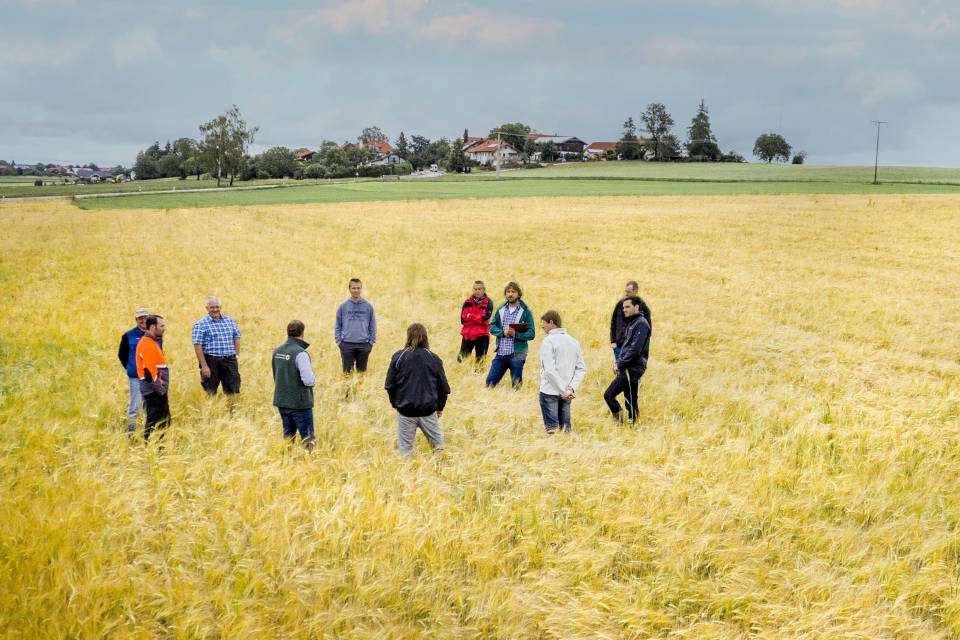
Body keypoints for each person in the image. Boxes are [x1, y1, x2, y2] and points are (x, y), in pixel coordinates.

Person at [384, 323, 450, 455]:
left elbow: (390, 385)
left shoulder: (399, 357)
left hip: (405, 411)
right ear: (425, 338)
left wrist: (396, 404)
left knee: (405, 452)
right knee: (439, 449)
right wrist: (439, 407)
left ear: (408, 337)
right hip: (428, 411)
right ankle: (442, 473)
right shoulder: (433, 358)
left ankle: (407, 475)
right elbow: (443, 388)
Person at [604, 296, 651, 423]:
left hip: (633, 367)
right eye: (623, 307)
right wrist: (618, 362)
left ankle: (621, 423)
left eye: (627, 307)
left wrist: (619, 364)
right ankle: (632, 424)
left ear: (636, 307)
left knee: (609, 395)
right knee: (630, 397)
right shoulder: (632, 323)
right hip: (628, 366)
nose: (624, 310)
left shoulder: (641, 323)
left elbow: (635, 350)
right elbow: (627, 347)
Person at [538, 310, 587, 434]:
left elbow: (549, 371)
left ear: (551, 322)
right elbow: (581, 368)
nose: (543, 326)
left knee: (552, 432)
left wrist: (563, 390)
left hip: (549, 391)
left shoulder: (548, 341)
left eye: (544, 323)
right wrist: (570, 389)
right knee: (566, 432)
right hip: (567, 392)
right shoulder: (574, 341)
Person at [272, 320, 316, 450]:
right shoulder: (300, 353)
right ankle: (310, 463)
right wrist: (314, 381)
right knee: (308, 439)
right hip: (299, 403)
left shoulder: (277, 351)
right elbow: (308, 380)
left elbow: (276, 374)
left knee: (288, 437)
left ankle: (287, 463)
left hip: (282, 401)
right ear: (302, 333)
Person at [486, 282, 535, 389]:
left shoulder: (525, 312)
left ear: (518, 294)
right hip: (501, 353)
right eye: (508, 292)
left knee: (516, 387)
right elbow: (492, 326)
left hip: (517, 354)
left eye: (513, 292)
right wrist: (502, 332)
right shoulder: (501, 310)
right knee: (489, 383)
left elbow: (531, 334)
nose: (510, 294)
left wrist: (516, 334)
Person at [191, 296, 242, 396]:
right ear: (207, 308)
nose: (215, 309)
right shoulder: (201, 324)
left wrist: (236, 355)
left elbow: (237, 336)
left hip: (229, 360)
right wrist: (204, 366)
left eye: (217, 307)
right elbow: (197, 345)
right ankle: (211, 411)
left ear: (220, 307)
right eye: (212, 307)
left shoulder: (229, 321)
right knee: (210, 391)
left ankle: (232, 411)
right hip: (211, 361)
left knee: (233, 390)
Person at [117, 307, 155, 434]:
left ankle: (148, 432)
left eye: (145, 317)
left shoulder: (156, 334)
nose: (143, 320)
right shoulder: (128, 336)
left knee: (148, 405)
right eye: (140, 318)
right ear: (136, 320)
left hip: (152, 377)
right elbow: (122, 355)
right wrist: (131, 368)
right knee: (134, 406)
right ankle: (131, 433)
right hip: (136, 377)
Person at [135, 315, 170, 441]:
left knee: (162, 422)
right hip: (154, 391)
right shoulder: (147, 345)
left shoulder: (151, 342)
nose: (164, 329)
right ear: (152, 327)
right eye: (161, 326)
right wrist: (161, 390)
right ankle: (153, 450)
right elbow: (151, 373)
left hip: (156, 390)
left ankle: (159, 449)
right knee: (155, 423)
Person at [335, 278, 377, 373]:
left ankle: (360, 389)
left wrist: (370, 342)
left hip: (364, 345)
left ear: (361, 289)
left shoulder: (368, 306)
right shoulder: (343, 306)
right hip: (346, 344)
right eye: (354, 288)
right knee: (347, 374)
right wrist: (339, 341)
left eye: (358, 288)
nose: (356, 290)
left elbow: (372, 325)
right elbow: (338, 324)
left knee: (361, 374)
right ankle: (348, 389)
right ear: (349, 289)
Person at [610, 280, 652, 362]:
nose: (626, 294)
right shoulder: (619, 304)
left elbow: (648, 330)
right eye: (625, 291)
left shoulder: (643, 308)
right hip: (618, 346)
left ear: (635, 292)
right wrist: (613, 342)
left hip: (633, 349)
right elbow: (613, 323)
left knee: (629, 373)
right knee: (621, 372)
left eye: (628, 292)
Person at [458, 280, 493, 363]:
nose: (477, 291)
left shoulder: (488, 303)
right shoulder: (467, 302)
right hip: (468, 334)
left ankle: (477, 376)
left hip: (482, 335)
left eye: (479, 289)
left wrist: (470, 316)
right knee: (461, 360)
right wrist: (477, 318)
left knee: (480, 362)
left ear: (484, 290)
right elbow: (462, 320)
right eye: (475, 289)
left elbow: (484, 319)